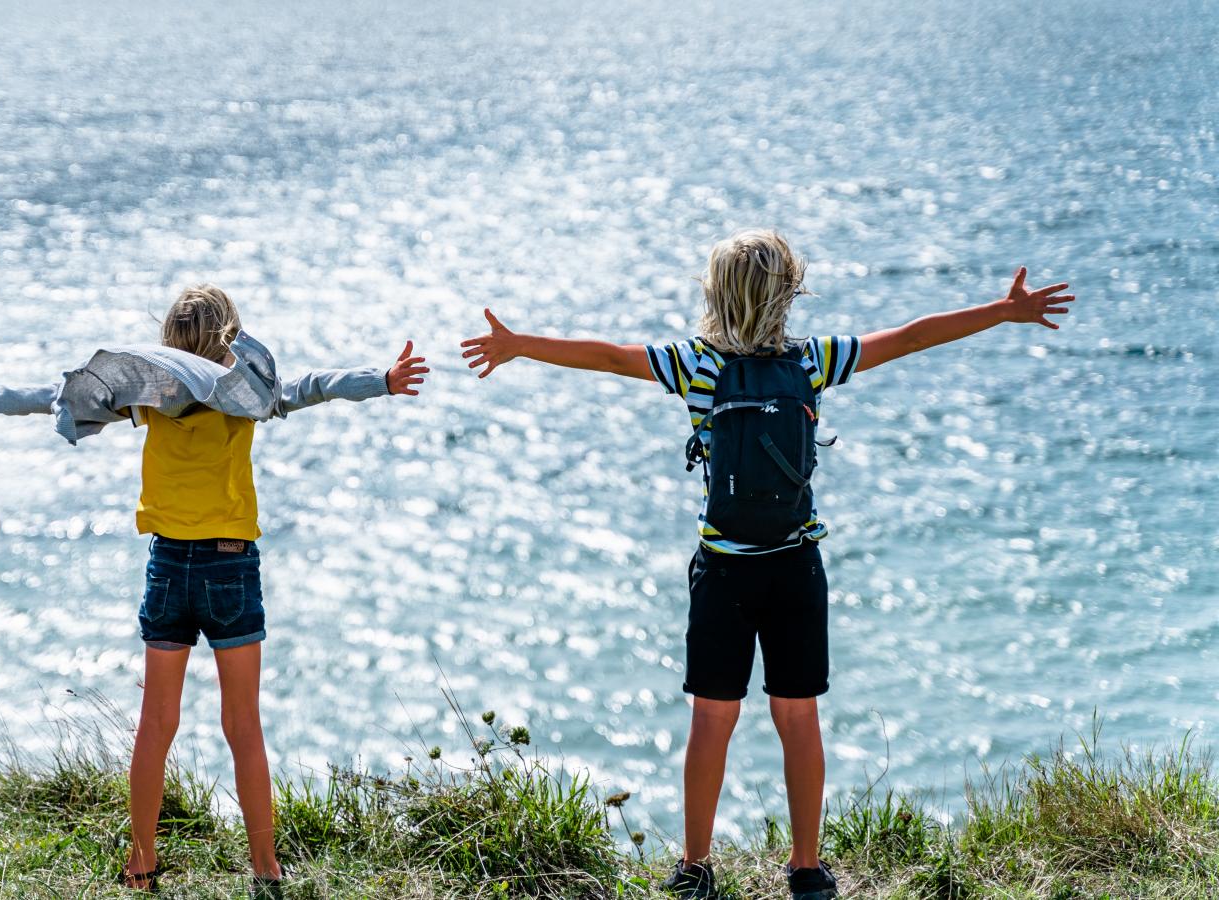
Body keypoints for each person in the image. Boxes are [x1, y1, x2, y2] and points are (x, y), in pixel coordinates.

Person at [459, 229, 1073, 899]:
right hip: (795, 565)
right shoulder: (813, 361)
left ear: (715, 296)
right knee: (798, 717)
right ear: (790, 293)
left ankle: (695, 870)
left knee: (711, 719)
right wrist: (1001, 310)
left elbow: (608, 356)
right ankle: (806, 871)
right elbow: (912, 337)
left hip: (723, 568)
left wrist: (521, 343)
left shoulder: (695, 364)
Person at [0, 284, 428, 897]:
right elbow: (315, 385)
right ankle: (266, 868)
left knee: (156, 723)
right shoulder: (246, 399)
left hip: (167, 567)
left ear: (167, 345)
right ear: (228, 338)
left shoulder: (151, 396)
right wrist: (383, 379)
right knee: (243, 724)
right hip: (230, 567)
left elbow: (53, 397)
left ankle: (142, 862)